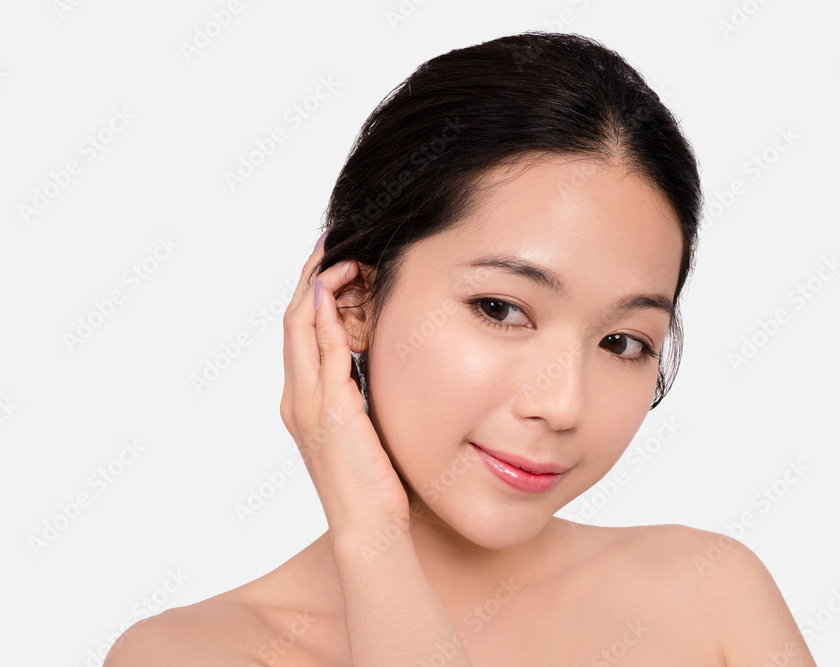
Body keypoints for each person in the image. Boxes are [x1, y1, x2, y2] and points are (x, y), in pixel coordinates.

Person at [104, 32, 817, 666]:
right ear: (353, 301)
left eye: (622, 342)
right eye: (500, 308)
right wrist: (370, 536)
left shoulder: (711, 595)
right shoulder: (195, 652)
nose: (562, 403)